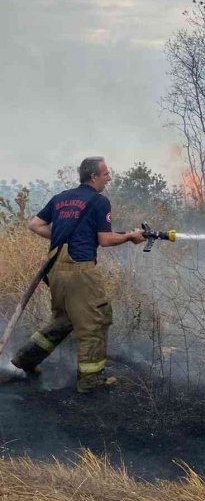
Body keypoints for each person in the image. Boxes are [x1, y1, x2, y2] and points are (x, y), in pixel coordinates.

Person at [10, 157, 145, 393]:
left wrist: (62, 237)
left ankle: (25, 360)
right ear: (93, 177)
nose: (109, 178)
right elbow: (105, 240)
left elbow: (34, 224)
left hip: (56, 271)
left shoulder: (61, 198)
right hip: (80, 271)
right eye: (105, 174)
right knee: (95, 321)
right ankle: (90, 381)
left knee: (63, 320)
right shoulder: (99, 201)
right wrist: (130, 237)